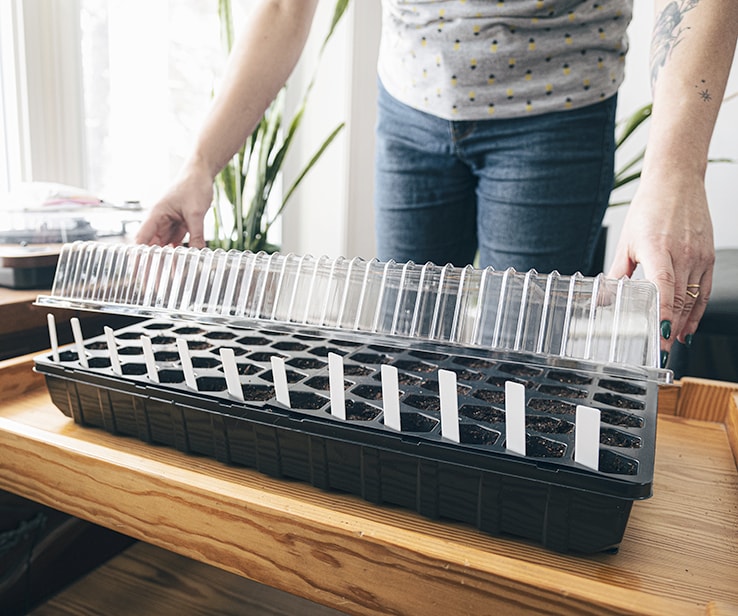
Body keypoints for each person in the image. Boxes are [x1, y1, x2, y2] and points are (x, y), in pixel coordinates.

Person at [136, 0, 738, 368]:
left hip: (556, 111)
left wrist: (676, 169)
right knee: (403, 354)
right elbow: (286, 7)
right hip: (410, 103)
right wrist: (199, 162)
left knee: (518, 370)